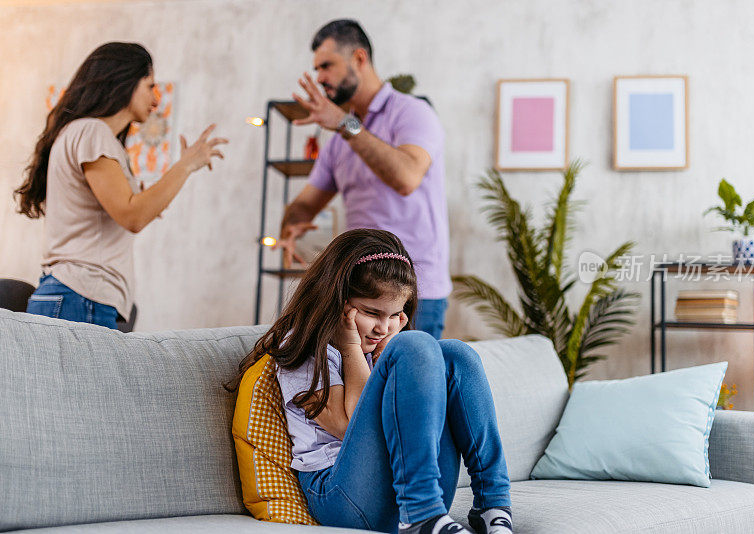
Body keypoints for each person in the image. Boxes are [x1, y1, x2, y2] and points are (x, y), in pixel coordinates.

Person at [235, 228, 512, 534]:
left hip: (399, 492)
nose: (383, 327)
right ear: (337, 301)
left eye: (395, 315)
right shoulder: (304, 351)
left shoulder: (377, 347)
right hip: (340, 495)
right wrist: (354, 349)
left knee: (455, 355)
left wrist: (387, 359)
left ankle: (491, 505)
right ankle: (421, 515)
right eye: (371, 312)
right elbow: (349, 424)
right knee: (415, 346)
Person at [14, 42, 226, 329]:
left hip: (74, 297)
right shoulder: (92, 131)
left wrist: (149, 199)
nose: (155, 99)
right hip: (79, 296)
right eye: (150, 86)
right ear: (125, 81)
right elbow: (132, 215)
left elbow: (133, 209)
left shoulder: (89, 134)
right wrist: (186, 164)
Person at [279, 19, 451, 339]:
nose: (320, 78)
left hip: (415, 295)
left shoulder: (412, 113)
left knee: (408, 388)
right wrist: (290, 227)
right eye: (316, 69)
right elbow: (304, 206)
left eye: (326, 66)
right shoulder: (338, 143)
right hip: (358, 295)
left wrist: (345, 125)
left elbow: (406, 177)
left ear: (359, 59)